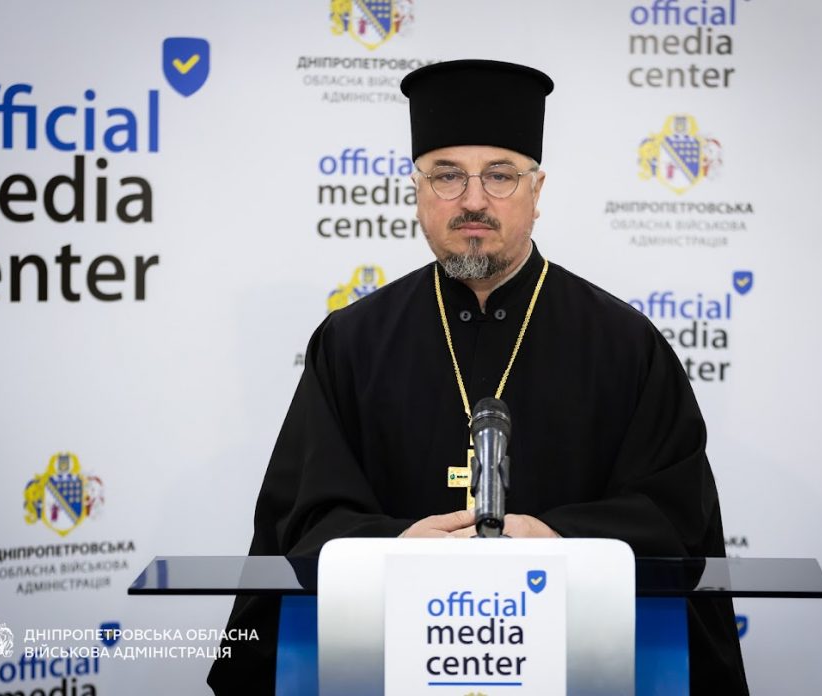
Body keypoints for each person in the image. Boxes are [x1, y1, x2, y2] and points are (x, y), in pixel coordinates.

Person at [209, 59, 748, 694]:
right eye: (446, 176)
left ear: (536, 193)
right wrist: (396, 545)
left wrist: (558, 537)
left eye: (499, 175)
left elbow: (674, 516)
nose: (472, 200)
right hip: (386, 664)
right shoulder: (351, 342)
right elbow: (302, 520)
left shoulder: (625, 345)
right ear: (416, 191)